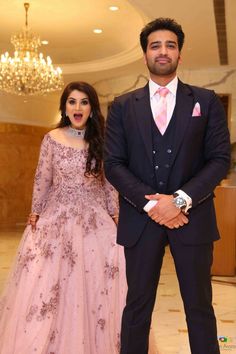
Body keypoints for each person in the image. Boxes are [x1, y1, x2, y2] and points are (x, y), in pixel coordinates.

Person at [104, 18, 231, 354]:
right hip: (140, 221)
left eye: (170, 45)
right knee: (137, 308)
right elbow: (113, 165)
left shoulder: (207, 101)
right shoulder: (121, 106)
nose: (163, 51)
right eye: (155, 45)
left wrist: (179, 200)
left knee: (200, 308)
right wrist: (152, 205)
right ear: (145, 54)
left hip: (193, 218)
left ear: (180, 54)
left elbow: (219, 159)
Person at [0, 81, 126, 353]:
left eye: (83, 102)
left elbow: (108, 182)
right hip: (56, 218)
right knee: (49, 284)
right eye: (72, 101)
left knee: (99, 281)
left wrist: (114, 212)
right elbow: (42, 178)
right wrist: (36, 210)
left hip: (95, 220)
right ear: (65, 107)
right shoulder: (52, 138)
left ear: (91, 108)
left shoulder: (102, 141)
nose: (77, 107)